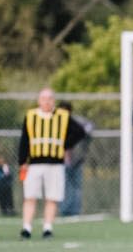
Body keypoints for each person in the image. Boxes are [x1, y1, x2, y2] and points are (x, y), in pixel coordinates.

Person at [18, 88, 86, 239]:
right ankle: (27, 227)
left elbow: (80, 132)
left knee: (52, 197)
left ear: (53, 101)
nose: (47, 102)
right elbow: (24, 140)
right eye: (44, 98)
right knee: (30, 196)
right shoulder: (31, 116)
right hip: (35, 163)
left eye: (50, 99)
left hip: (55, 163)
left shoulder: (62, 116)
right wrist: (23, 161)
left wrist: (65, 144)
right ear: (39, 100)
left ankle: (47, 227)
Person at [58, 101, 95, 216]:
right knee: (63, 186)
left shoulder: (77, 122)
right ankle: (64, 211)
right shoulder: (55, 122)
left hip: (77, 159)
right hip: (61, 160)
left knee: (76, 186)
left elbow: (90, 127)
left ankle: (75, 211)